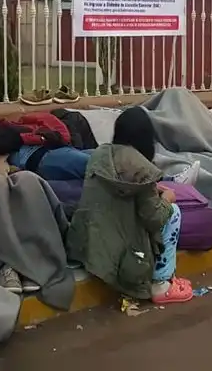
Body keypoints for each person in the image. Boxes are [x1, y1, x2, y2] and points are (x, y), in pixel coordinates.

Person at [66, 107, 193, 304]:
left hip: (89, 247)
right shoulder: (142, 168)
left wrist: (150, 189)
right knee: (173, 213)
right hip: (127, 261)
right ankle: (161, 284)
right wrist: (167, 197)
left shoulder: (100, 154)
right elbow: (154, 218)